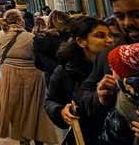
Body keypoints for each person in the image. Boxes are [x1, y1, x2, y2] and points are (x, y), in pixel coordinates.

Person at [77, 0, 139, 143]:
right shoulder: (110, 54)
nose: (127, 23)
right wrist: (100, 97)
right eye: (120, 16)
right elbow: (84, 93)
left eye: (136, 14)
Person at [0, 8, 57, 144]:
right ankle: (37, 136)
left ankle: (22, 138)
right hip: (33, 76)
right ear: (20, 21)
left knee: (15, 109)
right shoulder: (31, 37)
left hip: (8, 76)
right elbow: (39, 57)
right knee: (33, 109)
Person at [45, 16, 113, 144]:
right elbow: (50, 100)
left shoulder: (115, 67)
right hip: (85, 135)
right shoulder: (65, 71)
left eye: (110, 35)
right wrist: (60, 111)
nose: (109, 40)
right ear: (81, 42)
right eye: (100, 36)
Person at [99, 42, 139, 145]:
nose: (110, 71)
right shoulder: (131, 94)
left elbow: (112, 137)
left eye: (113, 68)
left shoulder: (125, 102)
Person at [34, 10, 71, 83]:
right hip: (72, 74)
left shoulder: (42, 38)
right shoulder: (72, 35)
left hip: (52, 76)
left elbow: (38, 62)